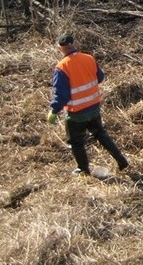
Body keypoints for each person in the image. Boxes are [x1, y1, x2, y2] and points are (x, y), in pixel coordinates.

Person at [47, 33, 128, 176]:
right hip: (94, 107)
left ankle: (83, 169)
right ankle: (121, 161)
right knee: (101, 134)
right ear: (75, 44)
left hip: (76, 113)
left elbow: (61, 95)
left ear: (60, 49)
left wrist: (54, 110)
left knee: (76, 141)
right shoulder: (89, 58)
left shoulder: (61, 67)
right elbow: (100, 78)